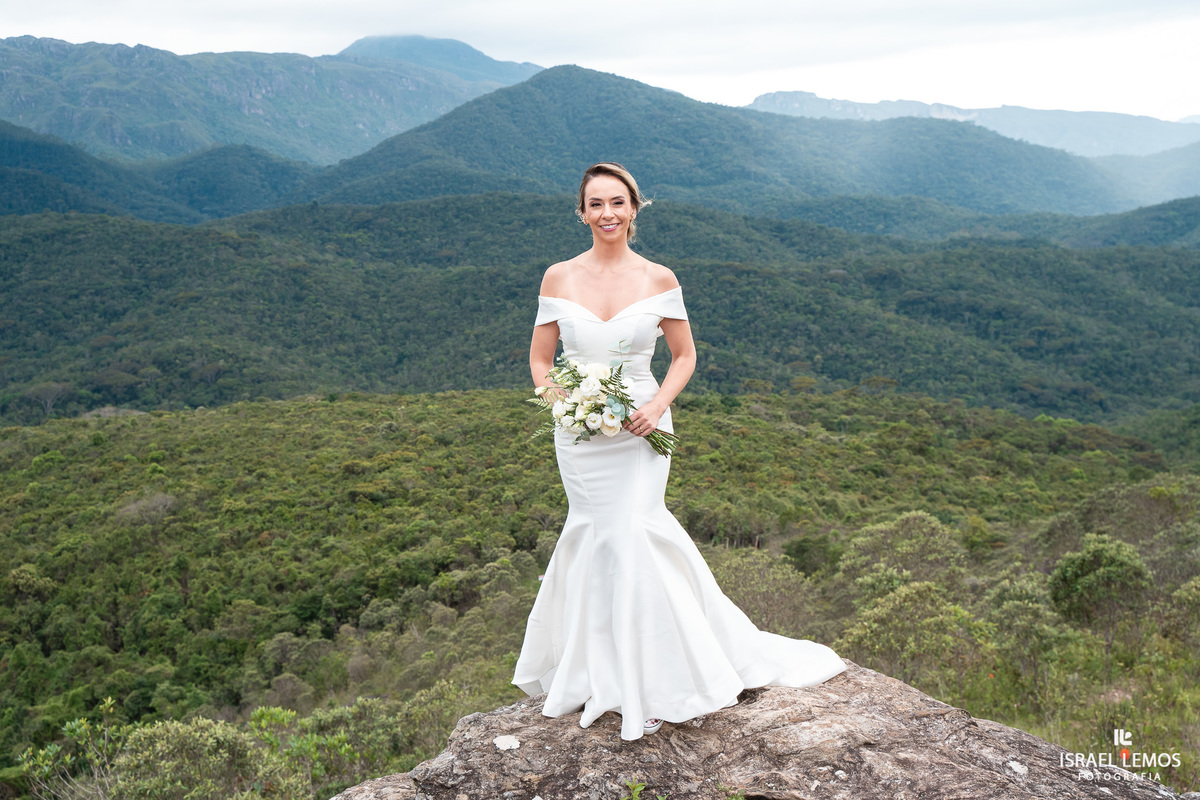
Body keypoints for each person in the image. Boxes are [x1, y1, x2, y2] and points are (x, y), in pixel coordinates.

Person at [511, 162, 846, 741]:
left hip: (644, 427)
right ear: (581, 212)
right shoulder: (557, 278)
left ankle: (662, 674)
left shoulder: (659, 277)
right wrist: (564, 402)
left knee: (637, 531)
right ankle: (599, 669)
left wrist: (656, 407)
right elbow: (542, 362)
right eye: (596, 204)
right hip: (581, 436)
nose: (607, 213)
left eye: (618, 202)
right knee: (595, 533)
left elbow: (684, 356)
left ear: (634, 209)